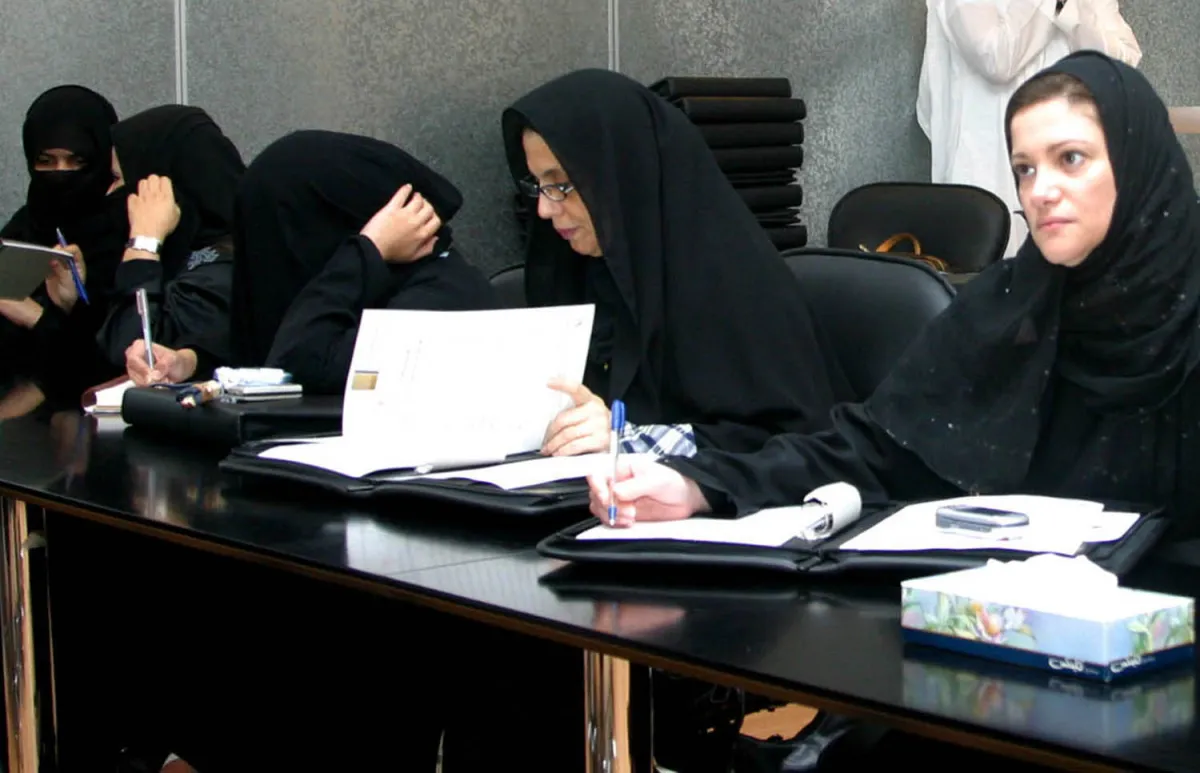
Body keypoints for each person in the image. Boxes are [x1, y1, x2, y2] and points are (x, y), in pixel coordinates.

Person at [591, 52, 1200, 555]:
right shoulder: (1009, 308)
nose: (1040, 191)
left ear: (1138, 162)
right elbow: (872, 449)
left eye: (1071, 159)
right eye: (1024, 169)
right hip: (1004, 617)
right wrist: (700, 485)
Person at [502, 68, 852, 461]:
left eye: (562, 185)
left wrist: (627, 439)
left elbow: (795, 443)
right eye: (537, 184)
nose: (544, 209)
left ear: (624, 176)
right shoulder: (578, 273)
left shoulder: (733, 287)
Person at [123, 129, 496, 392]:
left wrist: (365, 250)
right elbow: (268, 338)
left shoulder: (443, 302)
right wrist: (187, 361)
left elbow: (299, 360)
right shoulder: (375, 281)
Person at [918, 0, 1141, 257]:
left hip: (1070, 156)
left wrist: (1070, 12)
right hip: (991, 165)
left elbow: (1120, 65)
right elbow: (995, 58)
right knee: (997, 260)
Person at [96, 104, 245, 381]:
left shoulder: (222, 268)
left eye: (118, 178)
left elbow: (134, 352)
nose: (110, 192)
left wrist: (144, 243)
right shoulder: (181, 253)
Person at [0, 85, 128, 401]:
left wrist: (35, 315)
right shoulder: (26, 225)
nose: (61, 174)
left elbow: (112, 361)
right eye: (46, 161)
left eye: (77, 161)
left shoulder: (128, 233)